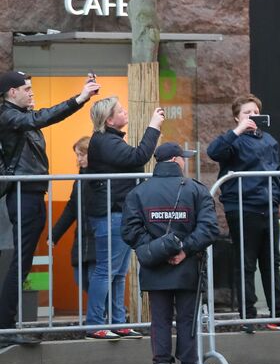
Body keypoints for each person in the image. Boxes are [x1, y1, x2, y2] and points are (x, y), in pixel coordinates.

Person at [0, 70, 101, 346]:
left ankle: (7, 325)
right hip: (24, 195)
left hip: (32, 194)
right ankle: (4, 327)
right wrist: (79, 99)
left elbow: (39, 119)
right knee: (21, 262)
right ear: (12, 93)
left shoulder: (19, 117)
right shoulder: (9, 116)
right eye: (27, 89)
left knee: (24, 261)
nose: (32, 93)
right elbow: (43, 117)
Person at [123, 143, 217, 364]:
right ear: (176, 160)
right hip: (188, 268)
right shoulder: (196, 190)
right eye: (183, 158)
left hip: (156, 268)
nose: (185, 162)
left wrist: (158, 251)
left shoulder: (139, 193)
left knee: (160, 323)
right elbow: (209, 228)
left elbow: (130, 231)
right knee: (188, 322)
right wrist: (184, 250)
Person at [206, 94, 280, 333]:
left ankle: (278, 313)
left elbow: (278, 171)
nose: (252, 116)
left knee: (272, 261)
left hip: (267, 207)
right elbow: (213, 151)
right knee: (246, 262)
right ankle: (248, 315)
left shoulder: (269, 140)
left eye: (255, 112)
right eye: (247, 113)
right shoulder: (233, 140)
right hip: (242, 207)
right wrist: (237, 131)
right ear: (237, 116)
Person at [84, 96, 163, 339]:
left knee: (118, 272)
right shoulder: (105, 141)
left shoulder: (108, 140)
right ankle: (95, 324)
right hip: (111, 212)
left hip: (119, 210)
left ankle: (118, 322)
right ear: (109, 119)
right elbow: (138, 157)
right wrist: (153, 127)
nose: (125, 111)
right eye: (120, 110)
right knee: (107, 270)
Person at [50, 136, 97, 306]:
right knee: (81, 279)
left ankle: (102, 317)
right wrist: (55, 234)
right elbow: (71, 209)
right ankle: (105, 314)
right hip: (82, 238)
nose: (78, 159)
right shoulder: (79, 180)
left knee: (96, 282)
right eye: (77, 155)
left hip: (98, 238)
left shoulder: (100, 178)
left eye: (82, 155)